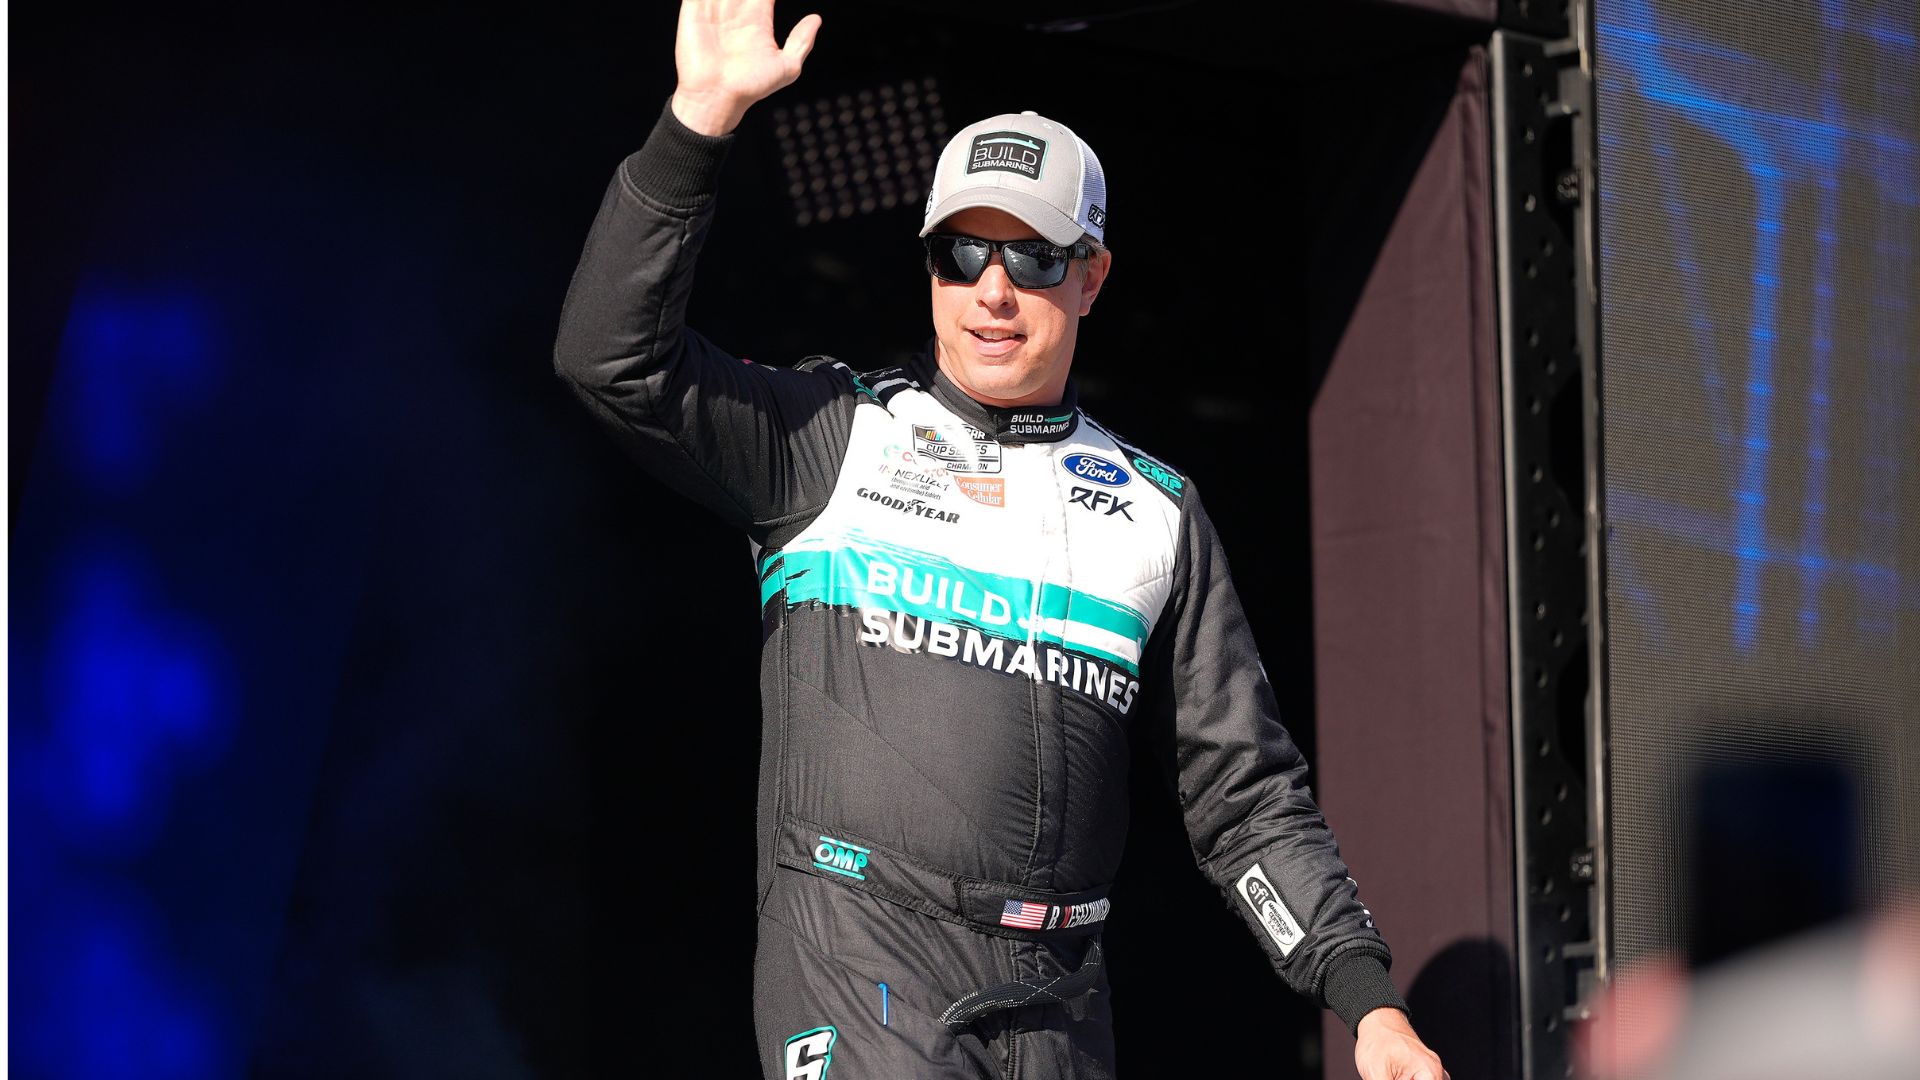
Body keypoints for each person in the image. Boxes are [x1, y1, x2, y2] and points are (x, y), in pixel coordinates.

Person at [553, 2, 1449, 1076]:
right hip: (855, 955)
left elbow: (1248, 802)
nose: (991, 289)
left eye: (1031, 258)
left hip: (1058, 1001)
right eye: (961, 251)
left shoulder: (1158, 511)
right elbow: (611, 362)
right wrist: (695, 124)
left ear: (1092, 276)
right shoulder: (830, 437)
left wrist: (1369, 1002)